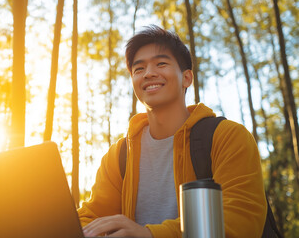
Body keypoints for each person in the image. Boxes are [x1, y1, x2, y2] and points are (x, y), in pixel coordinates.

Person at [77, 25, 267, 237]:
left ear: (187, 78)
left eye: (161, 63)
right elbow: (91, 217)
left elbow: (241, 220)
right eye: (139, 69)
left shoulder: (227, 137)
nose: (148, 74)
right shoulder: (120, 154)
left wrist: (150, 234)